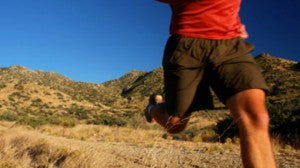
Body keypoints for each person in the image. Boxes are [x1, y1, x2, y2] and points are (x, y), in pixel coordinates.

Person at [145, 0, 276, 167]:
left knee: (256, 117)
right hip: (187, 45)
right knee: (174, 124)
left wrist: (231, 19)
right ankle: (152, 107)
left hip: (230, 45)